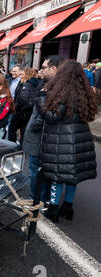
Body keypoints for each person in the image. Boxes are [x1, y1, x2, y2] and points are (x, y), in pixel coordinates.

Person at [37, 60, 98, 223]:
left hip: (61, 139)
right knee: (72, 177)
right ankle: (68, 208)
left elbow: (52, 117)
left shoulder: (63, 92)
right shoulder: (84, 91)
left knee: (58, 176)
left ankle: (53, 211)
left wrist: (42, 98)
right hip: (81, 137)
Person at [23, 55, 64, 203]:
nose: (41, 70)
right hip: (39, 137)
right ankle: (38, 198)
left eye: (44, 67)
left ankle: (36, 199)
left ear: (53, 69)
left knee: (36, 170)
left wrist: (35, 124)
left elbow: (47, 112)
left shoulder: (54, 88)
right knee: (37, 170)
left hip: (40, 138)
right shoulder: (47, 84)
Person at [8, 67, 39, 146]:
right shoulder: (34, 84)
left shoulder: (26, 85)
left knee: (12, 129)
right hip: (28, 113)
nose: (21, 76)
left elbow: (23, 99)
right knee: (23, 132)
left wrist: (15, 107)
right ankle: (21, 149)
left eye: (22, 74)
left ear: (27, 75)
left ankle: (12, 147)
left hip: (21, 113)